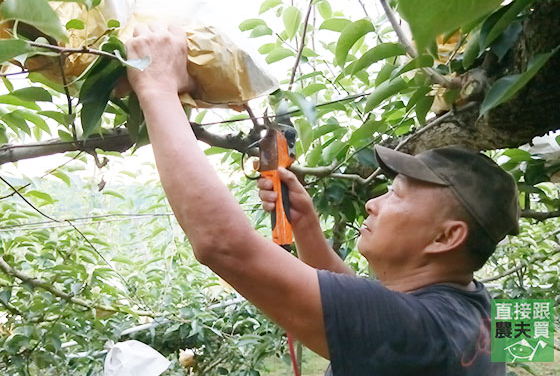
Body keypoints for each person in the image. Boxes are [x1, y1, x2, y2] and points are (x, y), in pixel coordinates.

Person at [126, 24, 520, 376]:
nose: (372, 203)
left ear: (446, 237)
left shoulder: (419, 333)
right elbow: (371, 316)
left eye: (396, 194)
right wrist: (308, 229)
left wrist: (156, 84)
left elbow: (224, 246)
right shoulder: (485, 309)